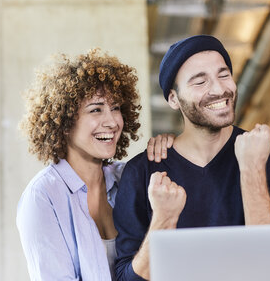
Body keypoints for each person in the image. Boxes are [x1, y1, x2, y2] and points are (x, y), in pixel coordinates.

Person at [113, 35, 270, 281]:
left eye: (224, 75)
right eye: (200, 81)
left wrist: (253, 169)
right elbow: (126, 279)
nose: (219, 89)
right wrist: (163, 220)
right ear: (173, 99)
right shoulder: (141, 172)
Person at [16, 49, 173, 281]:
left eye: (116, 108)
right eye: (96, 109)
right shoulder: (43, 197)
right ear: (65, 121)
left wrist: (170, 150)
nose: (111, 122)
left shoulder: (128, 178)